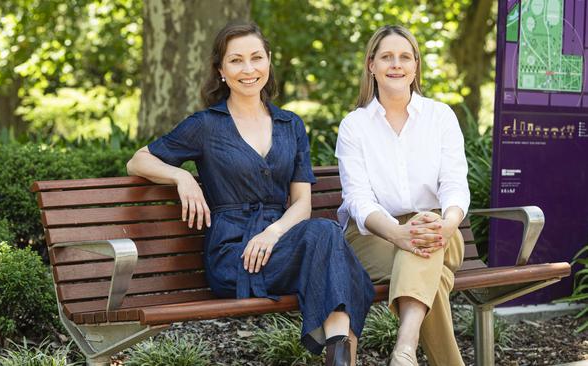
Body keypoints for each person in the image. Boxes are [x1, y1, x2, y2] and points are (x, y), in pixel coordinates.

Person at [127, 21, 374, 366]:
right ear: (221, 70)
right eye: (236, 60)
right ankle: (340, 350)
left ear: (269, 61)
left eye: (256, 58)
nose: (248, 69)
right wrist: (180, 176)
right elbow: (138, 160)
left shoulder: (291, 125)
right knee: (331, 240)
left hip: (282, 246)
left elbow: (302, 204)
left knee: (323, 231)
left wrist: (272, 233)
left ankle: (338, 349)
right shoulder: (205, 125)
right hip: (233, 255)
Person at [335, 25, 469, 366]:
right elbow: (359, 200)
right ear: (371, 66)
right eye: (387, 57)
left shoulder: (440, 117)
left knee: (424, 231)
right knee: (430, 274)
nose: (396, 64)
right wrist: (400, 234)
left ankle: (406, 346)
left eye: (405, 57)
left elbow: (454, 185)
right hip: (374, 235)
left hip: (441, 230)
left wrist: (447, 225)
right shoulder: (355, 125)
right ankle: (404, 351)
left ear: (416, 65)